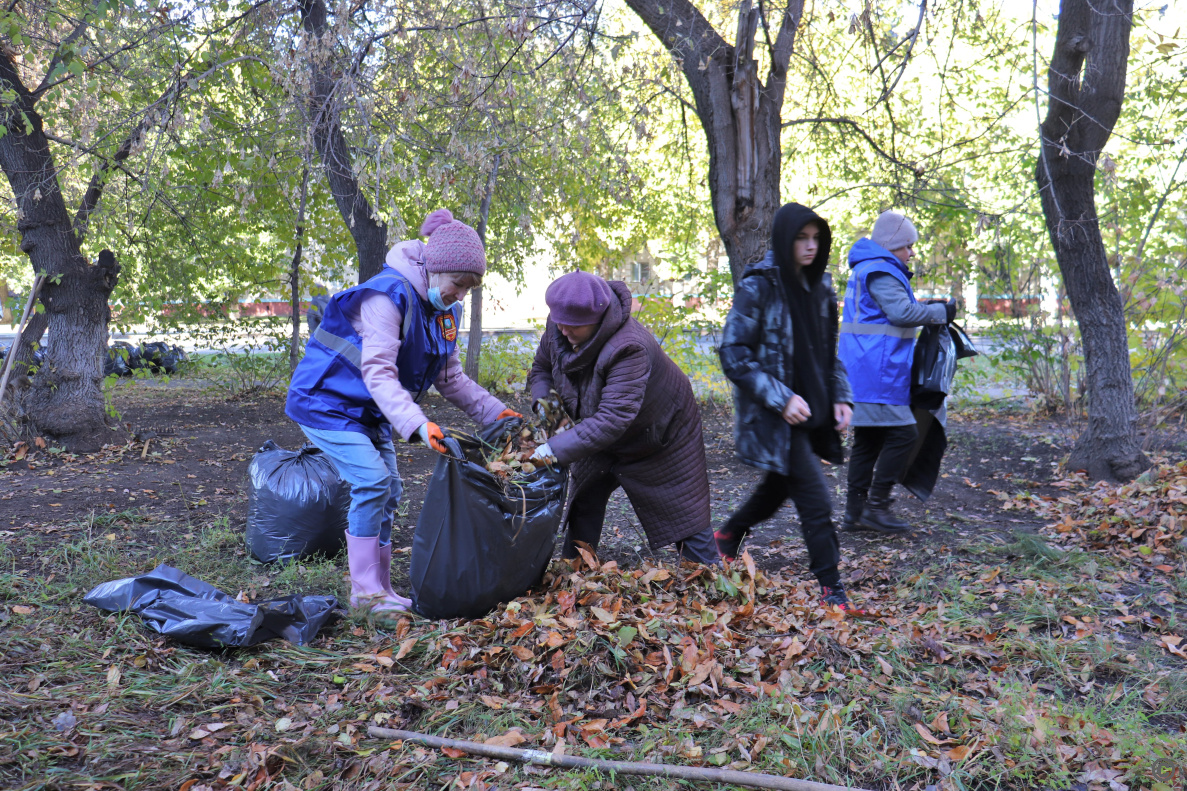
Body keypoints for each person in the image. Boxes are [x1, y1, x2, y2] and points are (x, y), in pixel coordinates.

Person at [286, 209, 521, 615]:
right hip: (325, 403)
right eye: (457, 284)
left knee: (390, 490)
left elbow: (450, 379)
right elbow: (377, 372)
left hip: (371, 412)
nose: (461, 295)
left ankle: (381, 588)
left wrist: (497, 415)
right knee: (373, 482)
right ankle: (365, 594)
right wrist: (416, 423)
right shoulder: (387, 295)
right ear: (435, 268)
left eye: (469, 289)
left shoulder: (445, 312)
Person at [716, 203, 857, 610]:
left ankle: (728, 535)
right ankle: (833, 590)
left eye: (817, 238)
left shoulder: (821, 287)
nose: (811, 247)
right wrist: (780, 398)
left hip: (811, 409)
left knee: (778, 487)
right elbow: (733, 352)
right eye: (801, 238)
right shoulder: (758, 286)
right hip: (774, 415)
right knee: (816, 499)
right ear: (784, 239)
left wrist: (841, 395)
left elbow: (827, 353)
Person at [526, 271, 718, 565]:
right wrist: (553, 418)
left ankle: (710, 580)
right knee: (585, 498)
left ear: (598, 317)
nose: (563, 330)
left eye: (573, 325)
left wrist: (553, 449)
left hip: (660, 434)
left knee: (685, 513)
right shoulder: (560, 323)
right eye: (559, 321)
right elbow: (541, 368)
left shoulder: (630, 347)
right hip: (599, 429)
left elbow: (614, 418)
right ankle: (575, 570)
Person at [838, 210, 955, 534]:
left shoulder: (869, 268)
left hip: (864, 369)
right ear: (892, 245)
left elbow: (888, 311)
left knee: (868, 442)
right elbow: (901, 313)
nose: (911, 252)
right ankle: (875, 507)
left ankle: (855, 513)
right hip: (879, 371)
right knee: (905, 434)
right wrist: (938, 312)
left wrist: (927, 306)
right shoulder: (880, 269)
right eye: (907, 246)